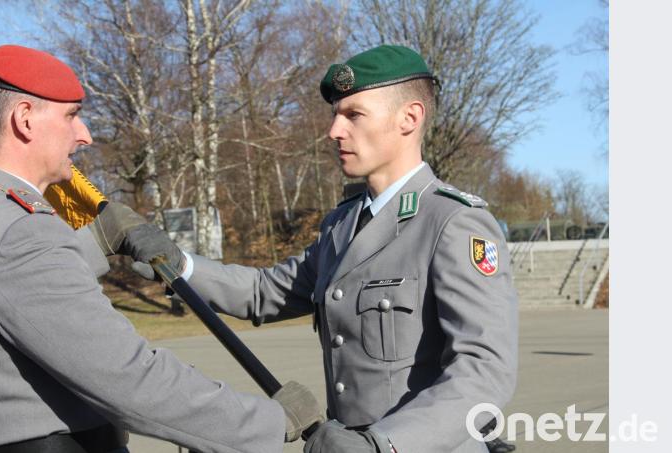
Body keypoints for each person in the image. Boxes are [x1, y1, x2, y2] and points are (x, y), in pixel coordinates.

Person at [0, 44, 323, 453]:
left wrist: (96, 240)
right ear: (24, 118)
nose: (84, 134)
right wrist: (269, 421)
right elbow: (130, 378)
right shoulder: (23, 234)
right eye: (71, 115)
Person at [129, 45, 519, 453]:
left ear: (409, 117)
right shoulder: (342, 225)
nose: (334, 130)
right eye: (335, 114)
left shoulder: (452, 222)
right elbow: (265, 292)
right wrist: (180, 266)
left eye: (353, 114)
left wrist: (384, 444)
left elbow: (485, 370)